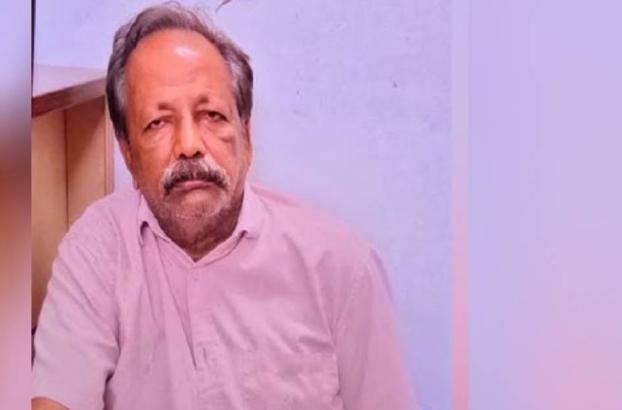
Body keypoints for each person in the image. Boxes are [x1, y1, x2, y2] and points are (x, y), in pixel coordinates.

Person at [32, 3, 417, 409]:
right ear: (128, 154)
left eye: (212, 115)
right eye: (158, 123)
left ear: (246, 138)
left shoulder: (342, 269)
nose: (189, 145)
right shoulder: (98, 249)